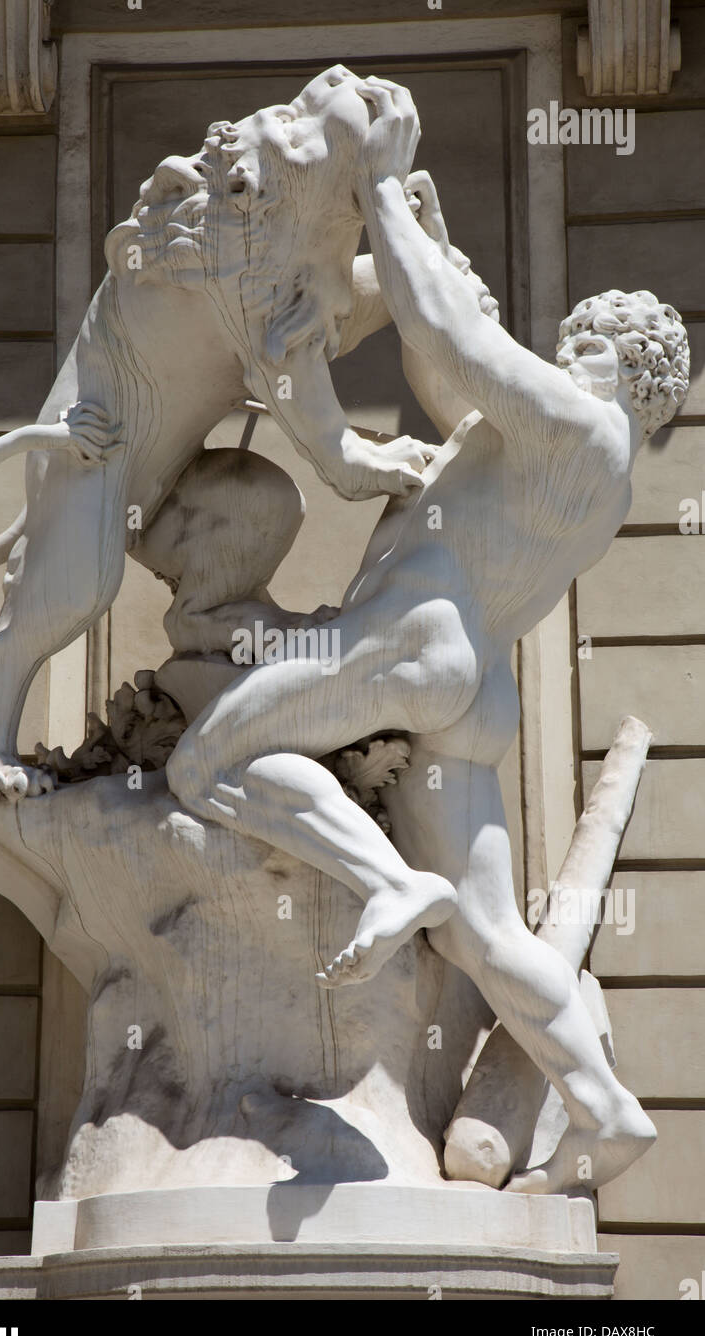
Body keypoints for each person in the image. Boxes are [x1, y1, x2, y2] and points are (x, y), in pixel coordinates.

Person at [166, 77, 689, 1193]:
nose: (557, 342)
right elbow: (446, 371)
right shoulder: (576, 480)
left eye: (572, 334)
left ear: (601, 346)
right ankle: (605, 1110)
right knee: (488, 933)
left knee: (203, 758)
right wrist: (428, 255)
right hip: (473, 690)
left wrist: (379, 182)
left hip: (415, 638)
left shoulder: (585, 425)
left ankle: (384, 882)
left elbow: (456, 334)